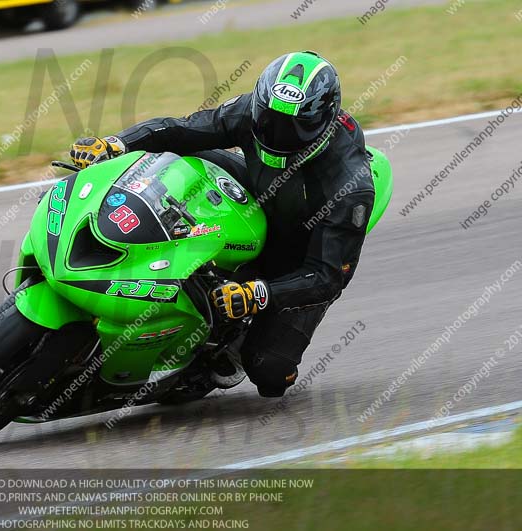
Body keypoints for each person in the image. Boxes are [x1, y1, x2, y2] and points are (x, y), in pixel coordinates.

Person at [68, 51, 375, 397]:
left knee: (269, 372)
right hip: (259, 192)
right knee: (180, 158)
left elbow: (329, 275)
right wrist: (118, 143)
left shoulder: (350, 186)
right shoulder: (253, 111)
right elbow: (182, 130)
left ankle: (227, 351)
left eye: (292, 128)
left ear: (322, 123)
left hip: (301, 251)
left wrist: (258, 293)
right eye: (270, 119)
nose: (276, 132)